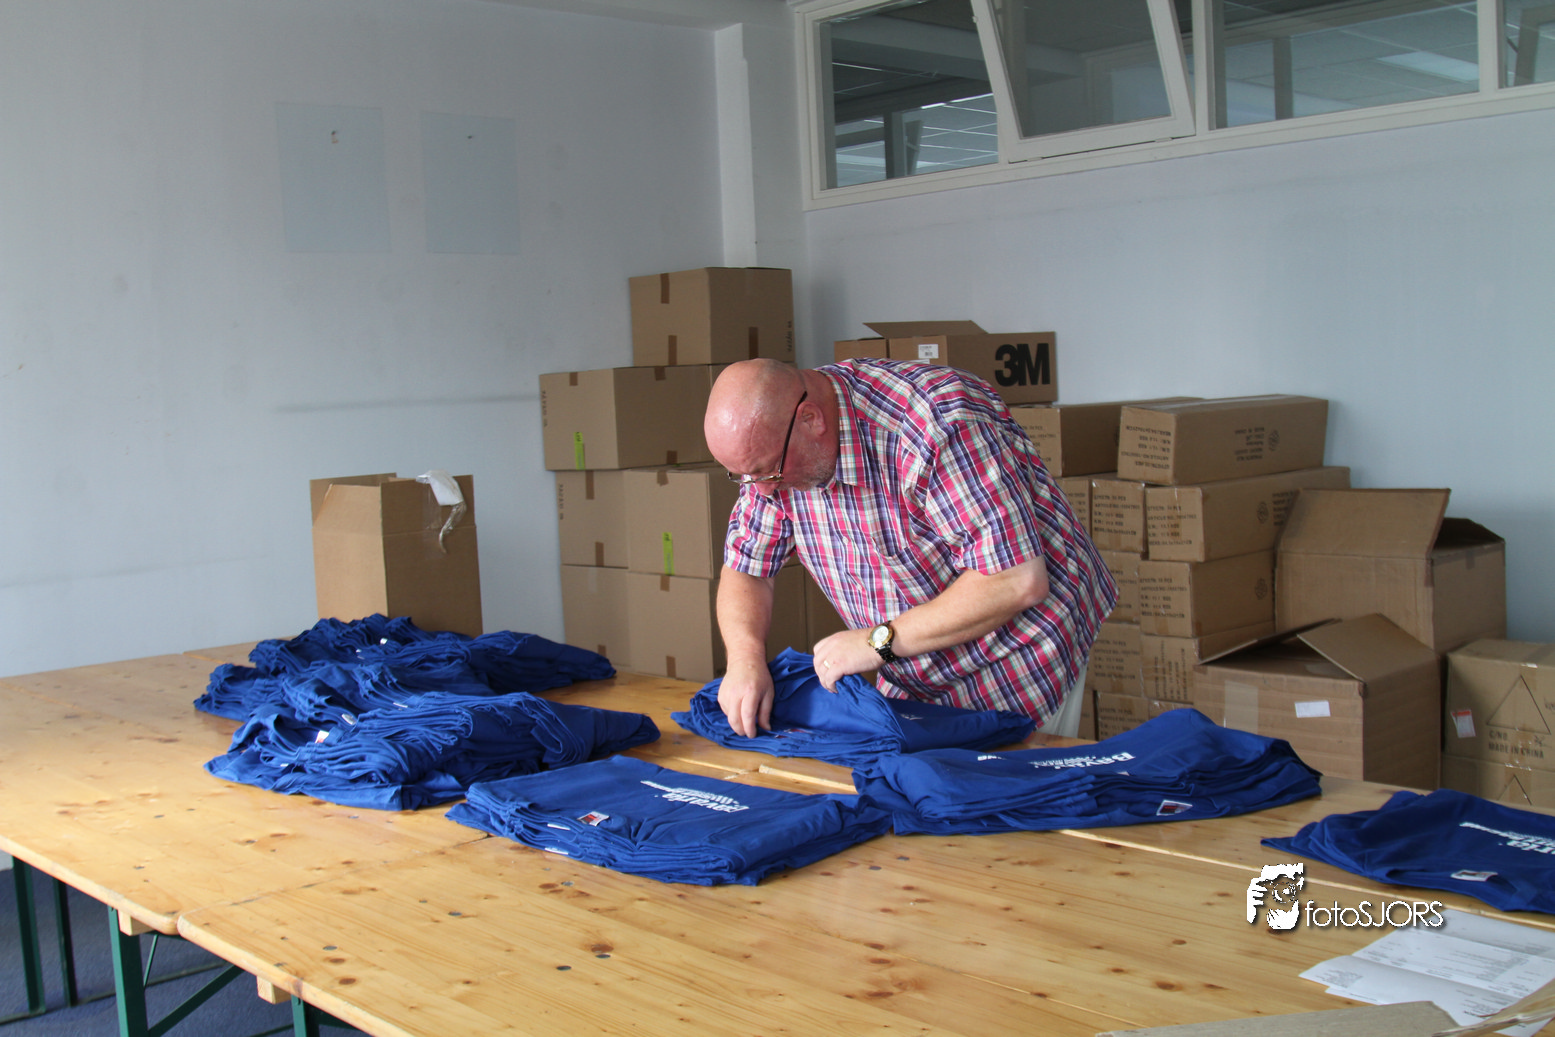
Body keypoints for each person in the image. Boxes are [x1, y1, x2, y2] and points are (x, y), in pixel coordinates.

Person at [703, 357, 1117, 740]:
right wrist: (744, 659)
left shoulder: (936, 421)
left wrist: (876, 643)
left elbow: (1014, 580)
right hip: (909, 660)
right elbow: (746, 567)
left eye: (767, 472)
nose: (761, 491)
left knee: (1007, 787)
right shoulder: (769, 458)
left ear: (811, 419)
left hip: (1019, 654)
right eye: (744, 477)